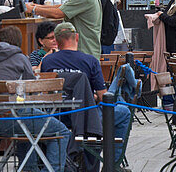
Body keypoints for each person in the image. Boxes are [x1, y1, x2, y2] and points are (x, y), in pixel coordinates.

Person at [0, 26, 71, 172]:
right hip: (11, 120)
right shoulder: (20, 58)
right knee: (61, 131)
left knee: (27, 125)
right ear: (19, 44)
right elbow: (32, 90)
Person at [41, 23, 132, 162]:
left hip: (57, 116)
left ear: (57, 41)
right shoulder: (90, 61)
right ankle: (114, 164)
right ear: (77, 37)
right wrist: (92, 97)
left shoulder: (47, 61)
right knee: (124, 112)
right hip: (87, 118)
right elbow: (103, 97)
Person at [25, 0, 102, 57]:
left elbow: (58, 13)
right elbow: (61, 7)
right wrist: (35, 6)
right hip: (85, 53)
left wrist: (34, 9)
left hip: (83, 53)